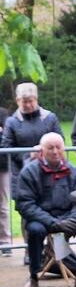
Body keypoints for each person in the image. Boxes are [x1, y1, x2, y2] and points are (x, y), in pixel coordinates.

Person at [15, 133, 76, 287]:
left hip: (67, 216)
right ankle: (33, 277)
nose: (55, 151)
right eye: (50, 148)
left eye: (59, 147)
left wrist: (74, 218)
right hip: (42, 218)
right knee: (35, 230)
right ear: (42, 151)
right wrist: (52, 222)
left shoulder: (73, 171)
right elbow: (25, 204)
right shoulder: (29, 172)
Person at [1, 82, 63, 198]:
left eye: (31, 101)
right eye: (24, 102)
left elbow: (60, 140)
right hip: (21, 174)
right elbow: (6, 147)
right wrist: (29, 154)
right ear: (17, 101)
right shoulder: (11, 122)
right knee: (26, 208)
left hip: (49, 172)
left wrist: (45, 151)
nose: (28, 105)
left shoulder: (50, 118)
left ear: (36, 99)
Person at [0, 104, 10, 256]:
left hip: (2, 166)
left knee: (2, 205)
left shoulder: (3, 113)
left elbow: (6, 137)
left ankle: (5, 241)